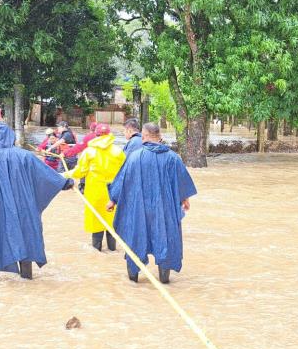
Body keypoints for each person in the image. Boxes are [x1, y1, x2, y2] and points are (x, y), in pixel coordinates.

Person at [0, 122, 73, 279]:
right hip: (24, 211)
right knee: (26, 243)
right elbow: (46, 176)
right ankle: (27, 282)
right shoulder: (26, 156)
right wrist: (65, 183)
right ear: (12, 138)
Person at [107, 122, 197, 284]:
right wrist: (185, 199)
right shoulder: (172, 158)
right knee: (165, 240)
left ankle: (133, 280)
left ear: (145, 136)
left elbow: (122, 180)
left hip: (139, 209)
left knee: (135, 238)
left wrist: (112, 199)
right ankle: (164, 280)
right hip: (164, 210)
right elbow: (181, 182)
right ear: (159, 136)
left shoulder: (134, 157)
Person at [63, 123, 126, 252]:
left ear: (96, 135)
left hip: (95, 193)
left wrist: (64, 174)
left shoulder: (89, 152)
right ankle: (112, 251)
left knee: (96, 222)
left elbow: (80, 172)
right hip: (113, 194)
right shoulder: (118, 151)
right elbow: (125, 172)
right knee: (111, 223)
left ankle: (97, 251)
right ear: (109, 134)